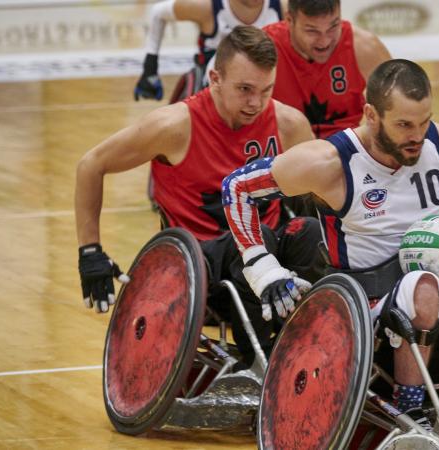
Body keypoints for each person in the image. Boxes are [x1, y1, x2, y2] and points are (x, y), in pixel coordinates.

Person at [222, 59, 439, 448]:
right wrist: (262, 268)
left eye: (424, 122)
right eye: (403, 125)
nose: (417, 136)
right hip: (366, 306)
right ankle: (411, 413)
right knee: (421, 288)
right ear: (371, 115)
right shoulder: (330, 162)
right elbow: (238, 187)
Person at [77, 26, 323, 366]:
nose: (256, 103)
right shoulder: (174, 126)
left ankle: (317, 346)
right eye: (244, 89)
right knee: (256, 236)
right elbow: (91, 164)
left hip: (270, 264)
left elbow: (322, 194)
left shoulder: (289, 124)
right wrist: (90, 252)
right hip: (200, 267)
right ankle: (260, 358)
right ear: (215, 78)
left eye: (265, 90)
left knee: (310, 230)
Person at [263, 0, 391, 138]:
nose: (324, 41)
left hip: (349, 148)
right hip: (287, 151)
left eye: (333, 27)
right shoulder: (265, 48)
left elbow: (398, 103)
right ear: (289, 20)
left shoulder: (364, 46)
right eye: (312, 31)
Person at [134, 0, 283, 102]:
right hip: (210, 88)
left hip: (267, 87)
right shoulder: (206, 6)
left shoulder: (284, 7)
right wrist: (150, 66)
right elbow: (158, 12)